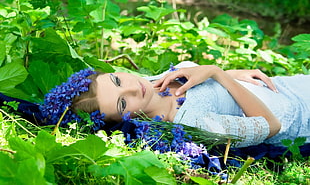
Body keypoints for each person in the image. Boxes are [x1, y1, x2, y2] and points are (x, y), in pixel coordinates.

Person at [40, 61, 310, 148]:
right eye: (124, 103)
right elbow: (271, 125)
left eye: (117, 79)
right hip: (300, 111)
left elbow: (213, 85)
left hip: (285, 84)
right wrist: (218, 72)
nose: (135, 87)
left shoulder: (153, 82)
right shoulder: (190, 123)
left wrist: (235, 74)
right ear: (124, 119)